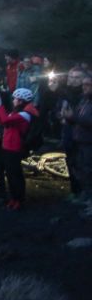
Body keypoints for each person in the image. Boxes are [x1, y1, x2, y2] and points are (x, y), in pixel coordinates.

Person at [0, 87, 39, 210]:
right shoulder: (18, 112)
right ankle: (14, 198)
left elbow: (4, 119)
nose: (13, 100)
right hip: (8, 146)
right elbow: (3, 121)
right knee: (11, 174)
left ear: (21, 101)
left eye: (15, 99)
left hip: (14, 147)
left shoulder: (24, 114)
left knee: (15, 175)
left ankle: (18, 199)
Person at [61, 72, 92, 206]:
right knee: (81, 170)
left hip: (88, 142)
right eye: (84, 84)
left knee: (89, 171)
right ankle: (84, 197)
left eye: (88, 84)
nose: (84, 87)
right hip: (79, 139)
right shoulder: (84, 99)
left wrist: (72, 117)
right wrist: (66, 117)